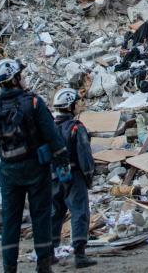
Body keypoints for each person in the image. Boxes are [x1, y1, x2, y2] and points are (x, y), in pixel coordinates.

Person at [0, 58, 70, 273]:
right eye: (21, 74)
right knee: (41, 216)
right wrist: (62, 162)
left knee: (10, 221)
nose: (24, 77)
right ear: (15, 78)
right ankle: (43, 265)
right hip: (36, 169)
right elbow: (52, 136)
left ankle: (9, 267)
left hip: (8, 171)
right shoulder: (34, 103)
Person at [51, 88, 97, 268]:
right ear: (70, 106)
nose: (80, 105)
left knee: (55, 214)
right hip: (74, 175)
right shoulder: (76, 127)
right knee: (79, 212)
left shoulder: (50, 128)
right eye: (77, 102)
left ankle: (50, 252)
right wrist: (88, 177)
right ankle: (79, 254)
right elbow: (84, 156)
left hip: (53, 177)